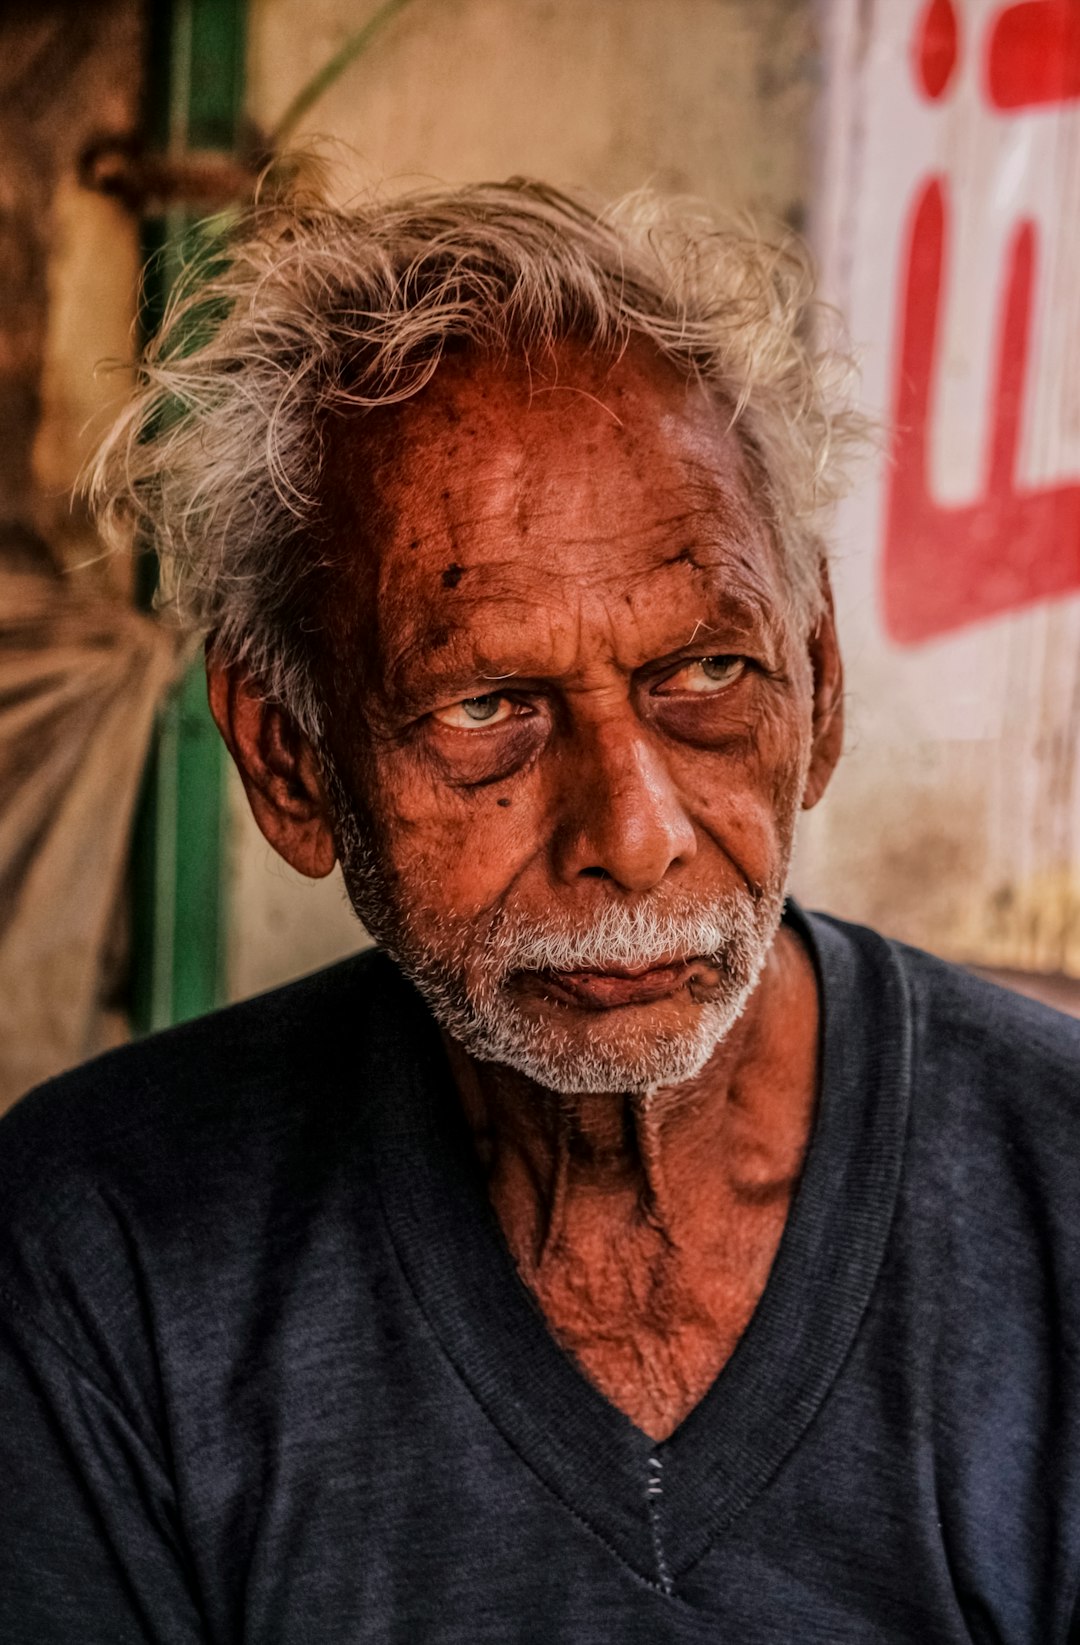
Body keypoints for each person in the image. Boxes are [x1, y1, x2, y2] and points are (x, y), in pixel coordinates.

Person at [1, 179, 1078, 1645]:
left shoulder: (1058, 1196)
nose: (633, 838)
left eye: (706, 674)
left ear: (817, 680)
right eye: (487, 706)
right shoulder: (101, 1251)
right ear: (290, 760)